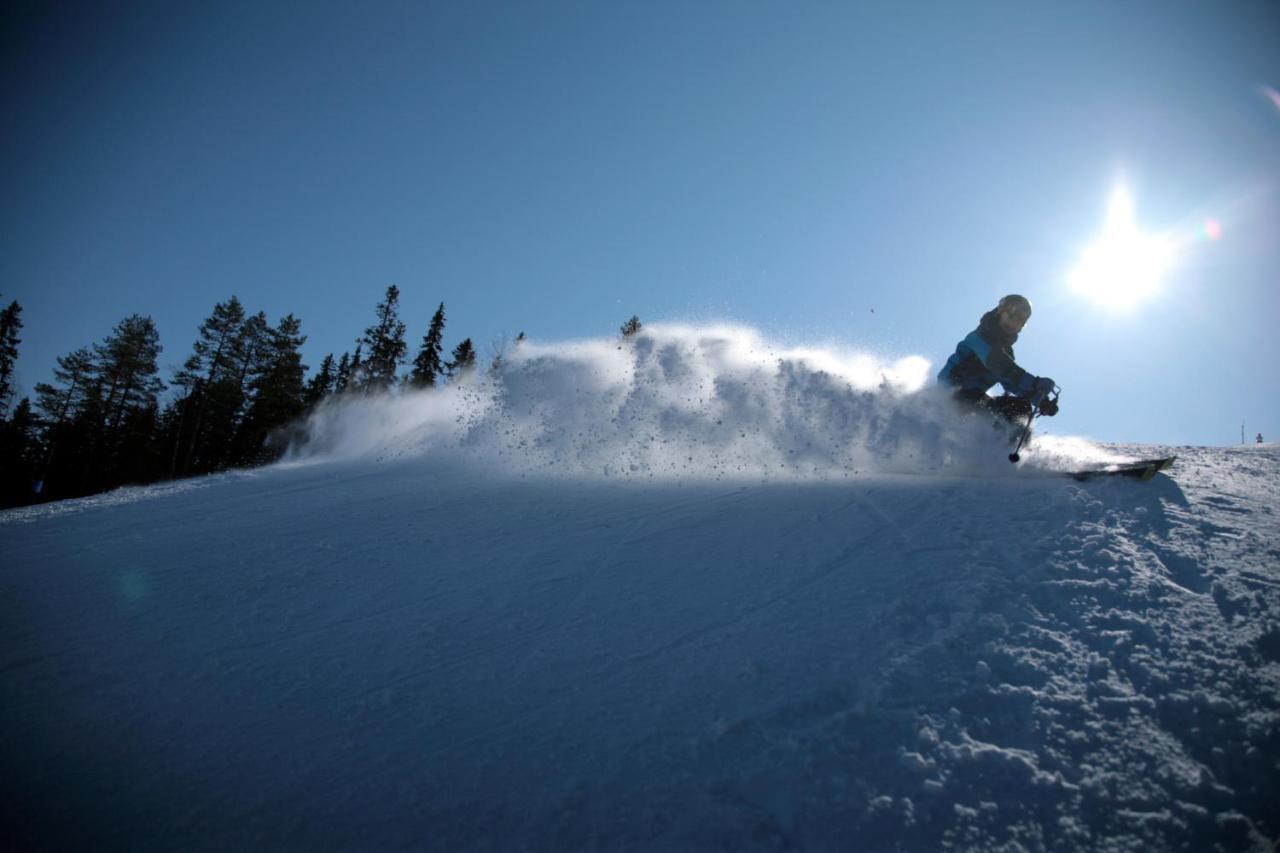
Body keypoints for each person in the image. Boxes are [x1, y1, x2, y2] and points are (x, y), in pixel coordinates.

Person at [938, 294, 1057, 428]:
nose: (1014, 321)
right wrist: (1034, 382)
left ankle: (1000, 444)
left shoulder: (1006, 354)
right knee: (989, 409)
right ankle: (987, 437)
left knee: (1020, 408)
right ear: (1000, 310)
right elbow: (997, 363)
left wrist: (1040, 400)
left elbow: (1011, 381)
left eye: (1020, 319)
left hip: (973, 398)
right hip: (951, 395)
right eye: (1012, 313)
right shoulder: (980, 336)